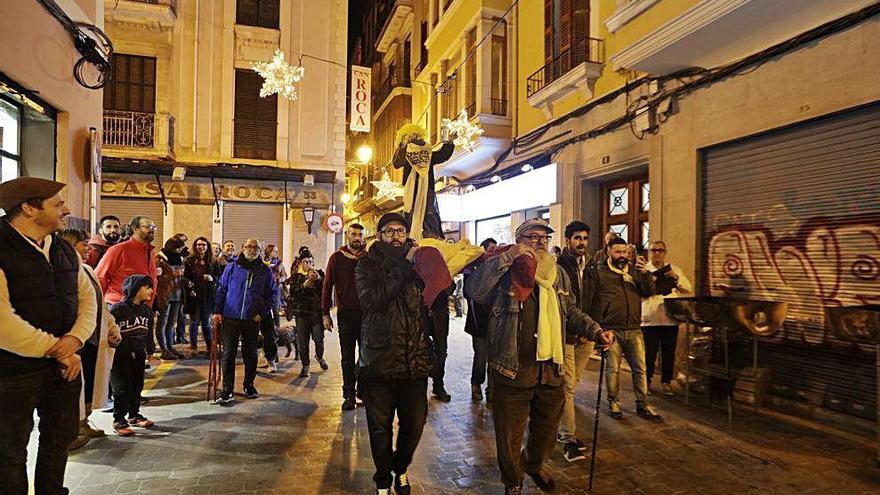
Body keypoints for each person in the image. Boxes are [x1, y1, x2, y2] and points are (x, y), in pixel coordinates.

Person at [466, 218, 612, 495]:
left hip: (550, 366)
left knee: (547, 428)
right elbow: (475, 290)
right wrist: (508, 258)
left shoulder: (557, 274)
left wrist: (595, 330)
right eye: (532, 237)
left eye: (544, 238)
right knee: (509, 432)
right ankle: (513, 480)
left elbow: (570, 311)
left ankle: (533, 463)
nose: (539, 242)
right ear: (518, 239)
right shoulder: (503, 271)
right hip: (514, 366)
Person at [0, 177, 98, 495]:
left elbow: (87, 301)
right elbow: (3, 322)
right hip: (12, 373)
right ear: (29, 208)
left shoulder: (63, 251)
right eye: (57, 204)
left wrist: (75, 341)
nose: (66, 210)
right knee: (9, 453)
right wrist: (59, 349)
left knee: (59, 440)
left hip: (62, 369)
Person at [355, 212, 436, 495]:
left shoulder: (419, 262)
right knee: (380, 430)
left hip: (413, 360)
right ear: (379, 235)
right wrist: (404, 265)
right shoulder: (366, 264)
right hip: (378, 361)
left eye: (400, 231)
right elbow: (372, 300)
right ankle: (383, 481)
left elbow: (433, 299)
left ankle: (400, 469)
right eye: (389, 231)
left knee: (414, 425)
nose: (396, 237)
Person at [584, 236, 662, 421]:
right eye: (618, 252)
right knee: (613, 369)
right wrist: (596, 328)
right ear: (609, 251)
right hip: (612, 330)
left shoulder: (635, 271)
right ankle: (614, 402)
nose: (622, 256)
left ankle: (643, 405)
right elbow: (592, 300)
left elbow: (649, 292)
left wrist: (645, 275)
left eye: (625, 252)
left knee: (640, 369)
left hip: (634, 328)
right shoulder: (600, 272)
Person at [60, 228, 122, 449]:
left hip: (93, 338)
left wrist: (112, 328)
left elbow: (99, 305)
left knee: (89, 385)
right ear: (69, 244)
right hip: (76, 339)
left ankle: (83, 422)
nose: (87, 247)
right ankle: (69, 430)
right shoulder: (64, 271)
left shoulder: (87, 270)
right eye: (82, 243)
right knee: (74, 387)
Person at [212, 238, 277, 403]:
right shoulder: (232, 267)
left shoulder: (265, 271)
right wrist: (217, 311)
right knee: (228, 354)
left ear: (260, 250)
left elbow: (271, 295)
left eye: (256, 247)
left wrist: (261, 314)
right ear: (243, 248)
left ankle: (249, 385)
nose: (252, 249)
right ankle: (227, 389)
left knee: (251, 354)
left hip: (251, 319)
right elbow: (221, 289)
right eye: (249, 246)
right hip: (230, 317)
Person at [554, 221, 594, 462]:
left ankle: (564, 431)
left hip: (586, 334)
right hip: (568, 334)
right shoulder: (559, 266)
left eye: (585, 238)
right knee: (567, 387)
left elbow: (593, 298)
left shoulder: (590, 266)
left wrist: (592, 329)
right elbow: (563, 306)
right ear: (568, 240)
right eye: (577, 238)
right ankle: (566, 437)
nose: (581, 242)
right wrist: (575, 328)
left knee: (573, 384)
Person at [321, 223, 366, 411]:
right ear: (347, 235)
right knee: (347, 356)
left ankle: (362, 392)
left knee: (367, 355)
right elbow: (327, 286)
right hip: (346, 314)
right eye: (353, 234)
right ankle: (348, 395)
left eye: (360, 235)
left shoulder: (370, 258)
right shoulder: (337, 258)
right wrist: (325, 313)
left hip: (368, 315)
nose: (357, 238)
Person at [641, 240, 692, 396]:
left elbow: (688, 288)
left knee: (669, 353)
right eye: (653, 250)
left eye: (660, 250)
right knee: (649, 354)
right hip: (650, 320)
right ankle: (647, 382)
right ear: (650, 252)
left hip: (669, 319)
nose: (657, 253)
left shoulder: (674, 269)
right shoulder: (644, 270)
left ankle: (666, 382)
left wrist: (676, 278)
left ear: (665, 252)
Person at [108, 275, 156, 436]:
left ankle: (134, 414)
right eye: (146, 287)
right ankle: (119, 419)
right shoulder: (117, 309)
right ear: (135, 288)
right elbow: (108, 330)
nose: (150, 290)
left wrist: (150, 350)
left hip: (139, 353)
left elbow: (149, 333)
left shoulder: (147, 311)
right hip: (120, 355)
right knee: (121, 388)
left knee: (137, 385)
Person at [95, 216, 159, 307]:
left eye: (154, 228)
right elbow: (100, 277)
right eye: (148, 227)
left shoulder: (151, 251)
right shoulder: (118, 250)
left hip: (142, 306)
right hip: (118, 304)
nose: (152, 230)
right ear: (135, 229)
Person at [464, 237, 496, 402]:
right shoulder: (472, 270)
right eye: (490, 249)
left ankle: (491, 390)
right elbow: (467, 292)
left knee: (494, 357)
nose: (493, 253)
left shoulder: (498, 269)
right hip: (478, 321)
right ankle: (476, 384)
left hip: (495, 322)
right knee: (481, 355)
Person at [288, 249, 326, 378]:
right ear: (300, 263)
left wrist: (319, 280)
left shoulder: (319, 273)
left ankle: (319, 356)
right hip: (301, 314)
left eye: (310, 261)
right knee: (303, 342)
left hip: (316, 313)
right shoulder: (296, 277)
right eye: (305, 261)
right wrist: (304, 285)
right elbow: (292, 294)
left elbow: (326, 290)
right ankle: (306, 365)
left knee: (318, 339)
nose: (308, 264)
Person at [184, 237, 222, 358]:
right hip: (194, 295)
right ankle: (193, 347)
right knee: (194, 322)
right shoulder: (188, 260)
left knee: (206, 323)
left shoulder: (213, 261)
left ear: (207, 247)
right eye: (199, 245)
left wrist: (212, 279)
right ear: (195, 246)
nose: (201, 247)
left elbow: (219, 277)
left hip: (208, 296)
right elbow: (184, 277)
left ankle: (210, 347)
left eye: (204, 245)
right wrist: (188, 285)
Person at [156, 236, 187, 359]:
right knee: (162, 321)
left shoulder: (179, 259)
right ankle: (164, 349)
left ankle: (170, 347)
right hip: (166, 295)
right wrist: (173, 275)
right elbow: (157, 279)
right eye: (178, 248)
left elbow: (181, 275)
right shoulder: (161, 259)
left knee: (171, 323)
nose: (180, 250)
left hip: (178, 295)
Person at [261, 244, 287, 372]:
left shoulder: (279, 264)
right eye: (274, 251)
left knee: (275, 312)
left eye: (277, 251)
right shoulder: (263, 263)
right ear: (269, 252)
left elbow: (284, 276)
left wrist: (278, 278)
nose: (276, 253)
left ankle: (276, 330)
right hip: (264, 292)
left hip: (276, 289)